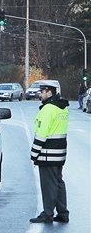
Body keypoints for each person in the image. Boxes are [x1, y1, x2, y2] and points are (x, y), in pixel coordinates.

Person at [29, 82, 69, 223]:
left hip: (47, 154)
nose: (40, 94)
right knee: (58, 183)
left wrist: (34, 154)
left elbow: (42, 134)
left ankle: (47, 214)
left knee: (48, 185)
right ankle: (63, 212)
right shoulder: (62, 108)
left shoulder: (48, 109)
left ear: (49, 93)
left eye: (42, 92)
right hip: (59, 153)